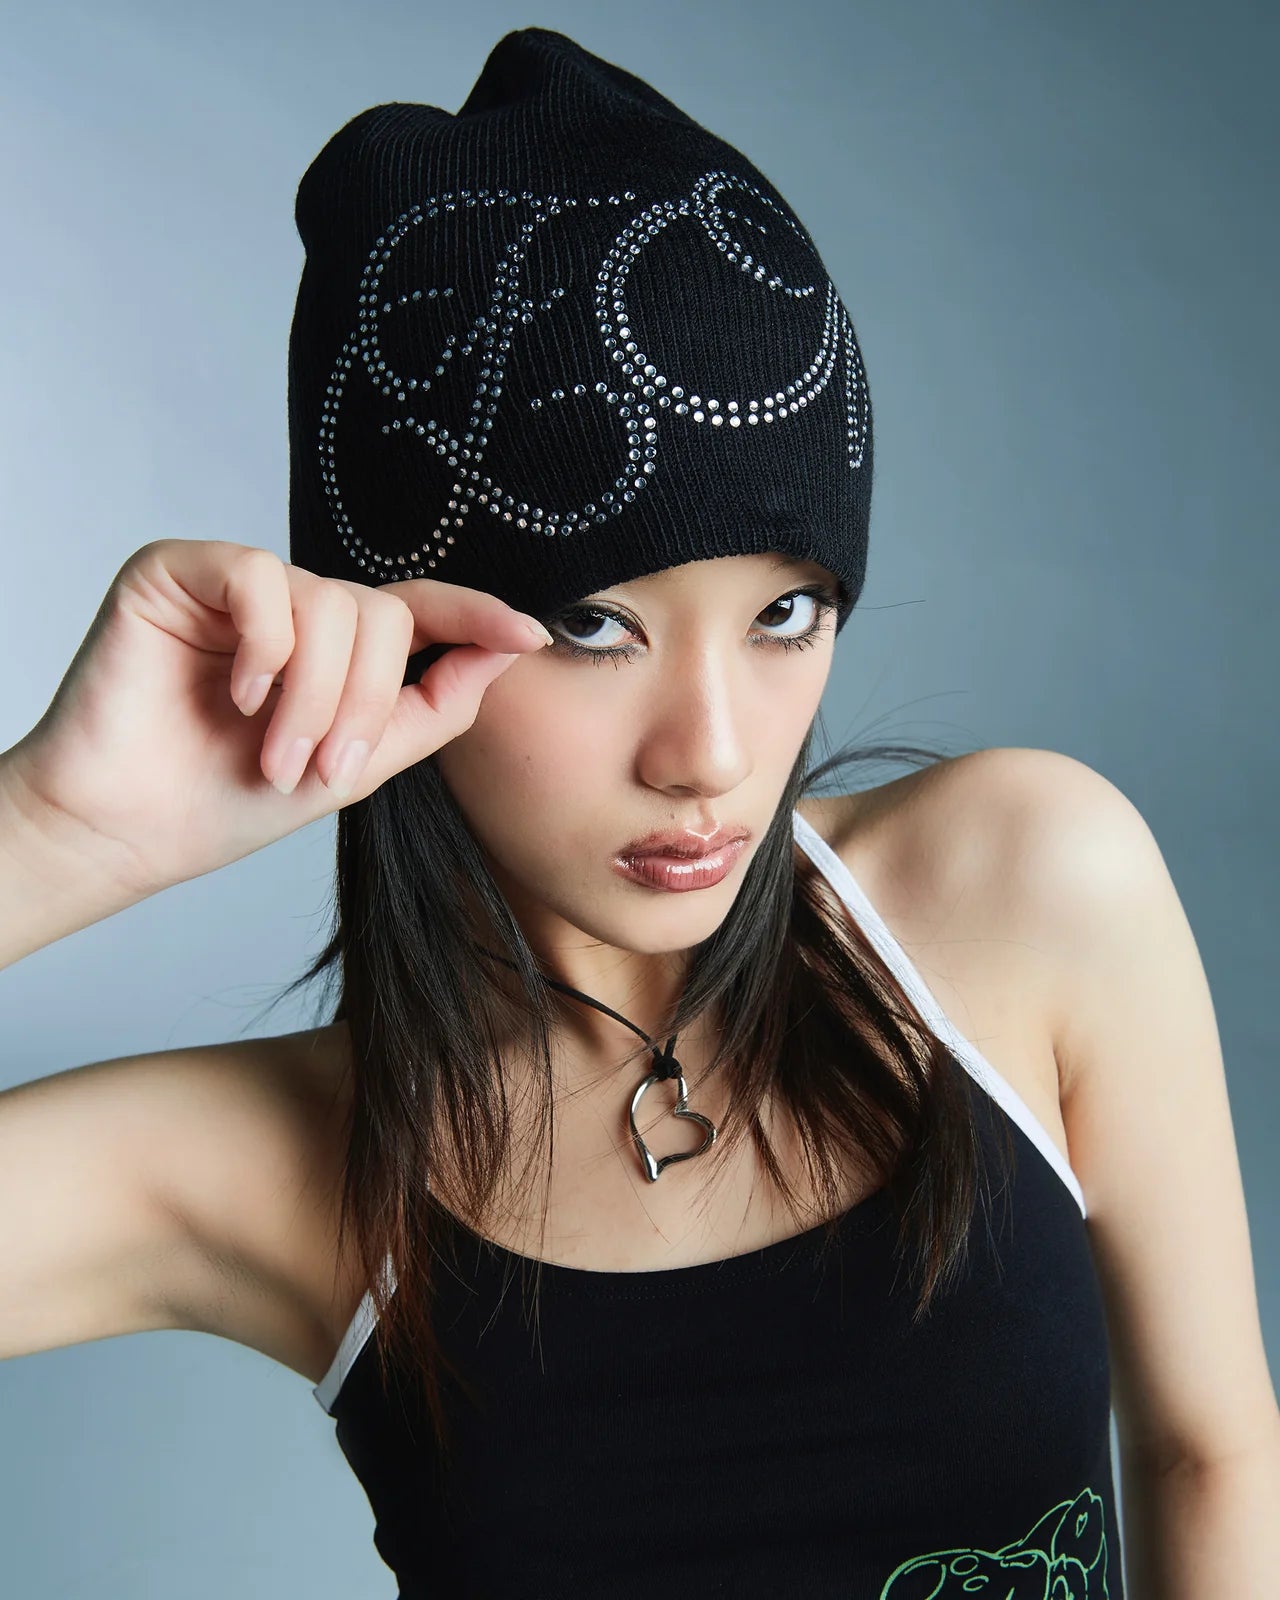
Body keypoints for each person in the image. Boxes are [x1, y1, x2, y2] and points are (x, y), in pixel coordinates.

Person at [1, 26, 1276, 1599]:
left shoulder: (1025, 888)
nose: (713, 754)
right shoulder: (289, 1166)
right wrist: (57, 833)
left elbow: (1210, 1450)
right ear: (400, 629)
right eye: (596, 625)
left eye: (787, 613)